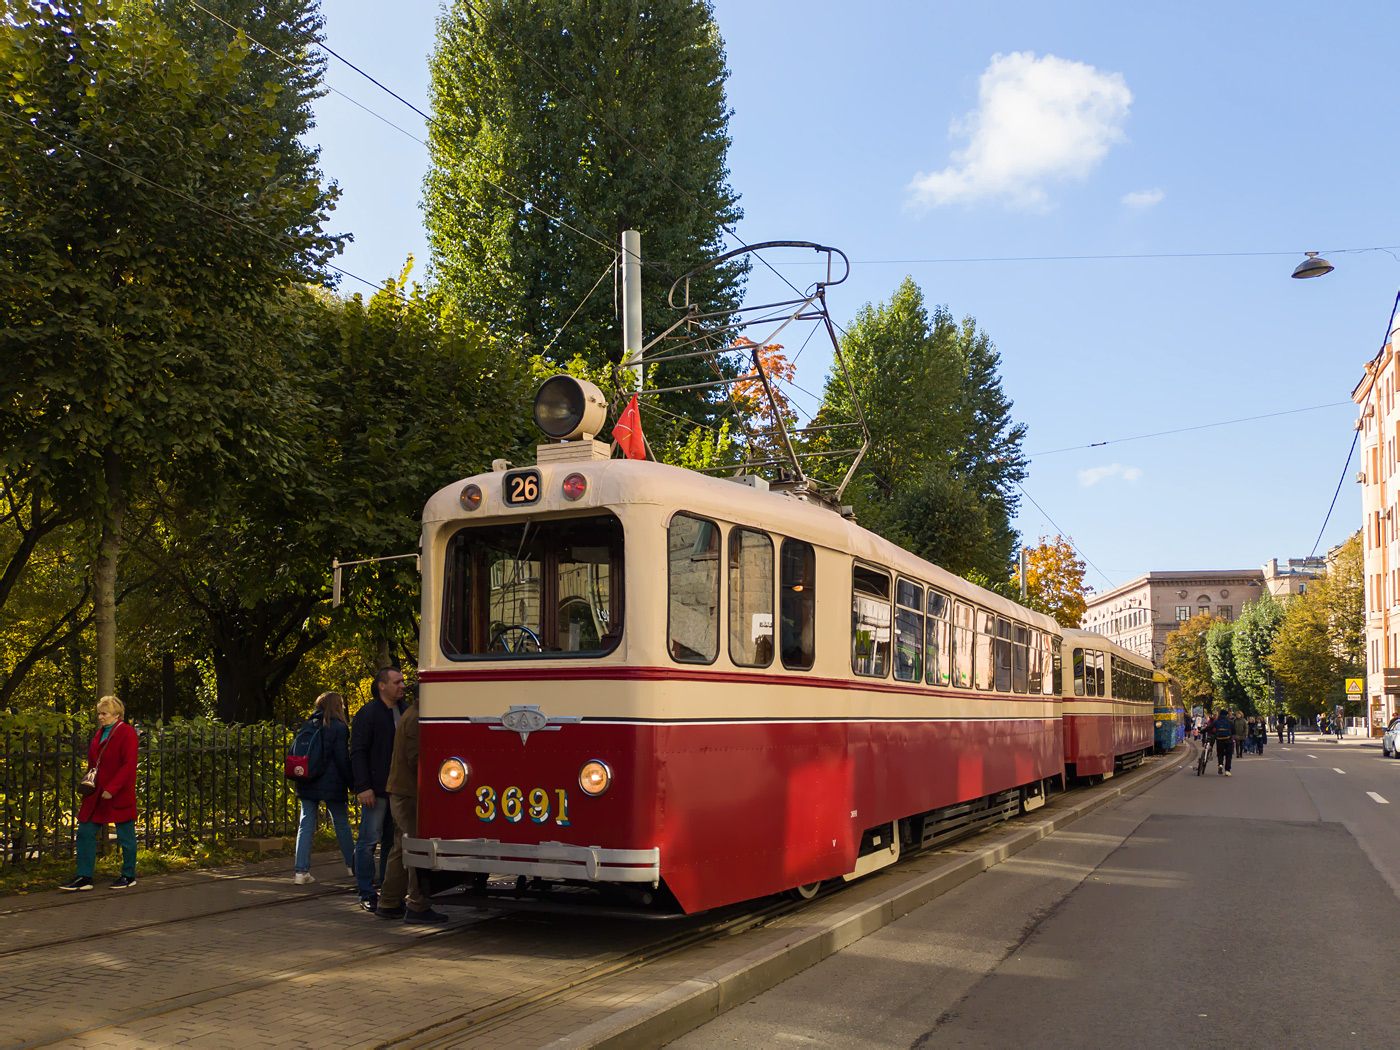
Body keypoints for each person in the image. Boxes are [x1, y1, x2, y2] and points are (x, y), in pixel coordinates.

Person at [375, 686, 447, 924]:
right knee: (415, 847)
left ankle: (389, 901)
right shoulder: (417, 718)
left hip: (400, 790)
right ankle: (417, 904)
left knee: (401, 847)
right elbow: (416, 757)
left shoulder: (410, 714)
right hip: (408, 793)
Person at [61, 696, 140, 891]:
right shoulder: (100, 733)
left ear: (116, 714)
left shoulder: (127, 733)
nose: (100, 717)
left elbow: (128, 765)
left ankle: (128, 875)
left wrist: (112, 789)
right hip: (97, 793)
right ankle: (84, 876)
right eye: (99, 713)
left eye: (104, 713)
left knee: (126, 836)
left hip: (118, 793)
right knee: (85, 832)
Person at [351, 666, 408, 912]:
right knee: (368, 841)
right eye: (397, 682)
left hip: (397, 789)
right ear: (382, 686)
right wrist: (364, 787)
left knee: (392, 842)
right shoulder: (368, 713)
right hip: (376, 788)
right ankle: (366, 890)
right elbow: (357, 751)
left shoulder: (405, 711)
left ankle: (388, 891)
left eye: (403, 681)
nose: (402, 686)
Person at [292, 691, 356, 885]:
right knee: (341, 823)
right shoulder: (339, 728)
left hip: (307, 779)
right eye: (342, 704)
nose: (344, 707)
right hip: (332, 782)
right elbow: (342, 759)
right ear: (336, 706)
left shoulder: (307, 725)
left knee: (306, 824)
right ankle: (352, 866)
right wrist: (352, 783)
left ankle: (301, 872)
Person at [1213, 707, 1235, 775]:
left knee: (1220, 753)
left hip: (1219, 740)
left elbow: (1210, 727)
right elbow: (1234, 731)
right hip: (1229, 740)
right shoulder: (1230, 722)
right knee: (1228, 755)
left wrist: (1202, 731)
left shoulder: (1217, 722)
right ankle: (1227, 770)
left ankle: (1220, 764)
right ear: (1227, 715)